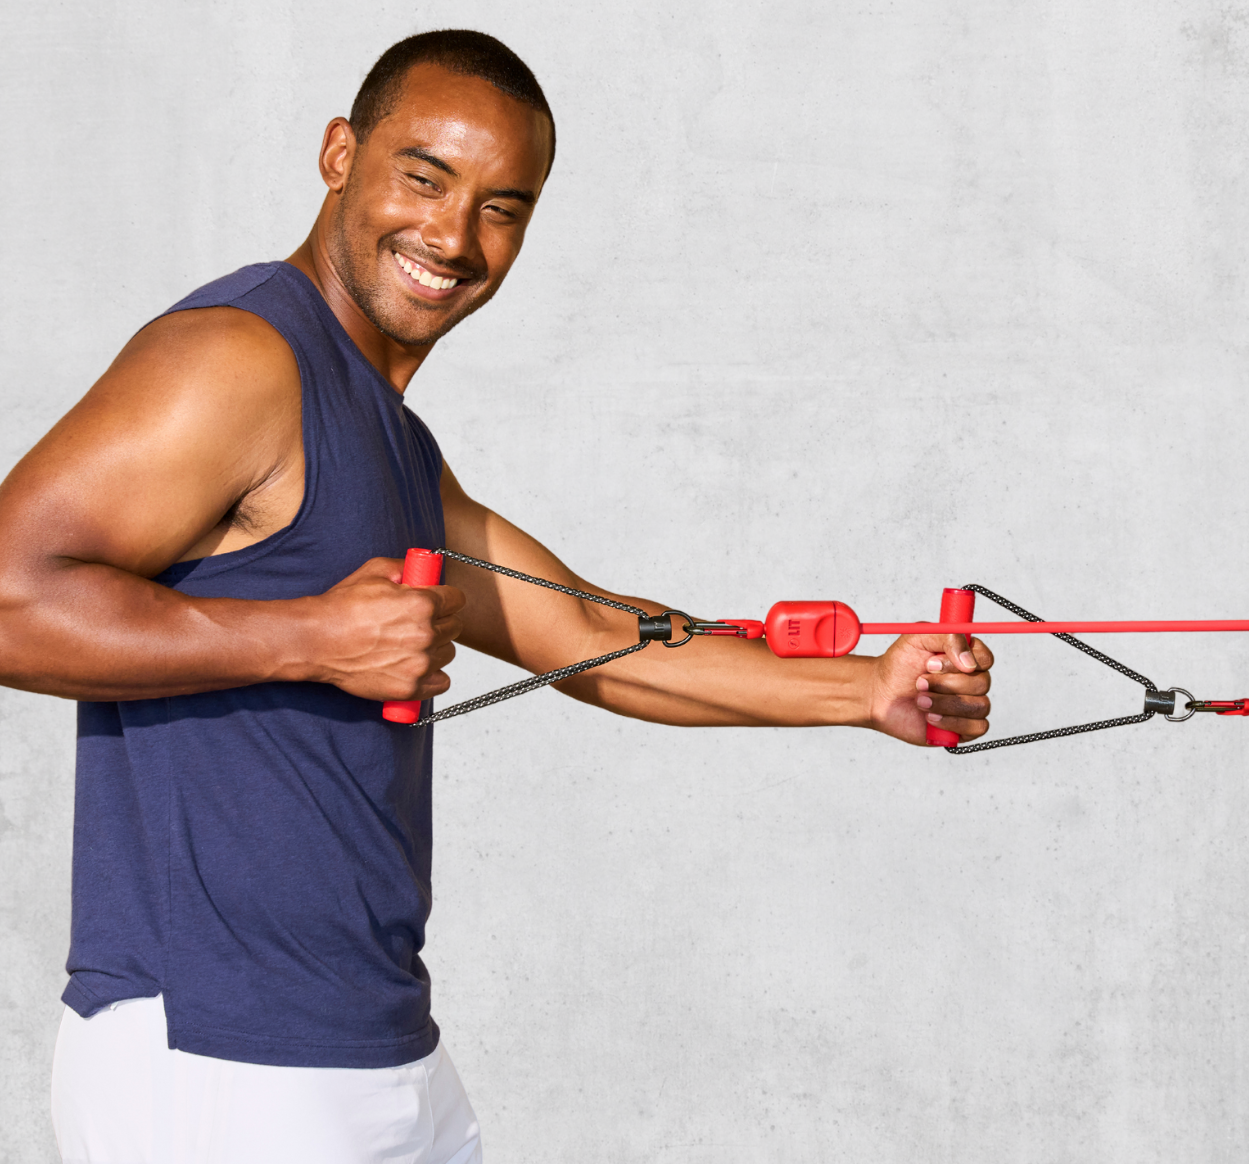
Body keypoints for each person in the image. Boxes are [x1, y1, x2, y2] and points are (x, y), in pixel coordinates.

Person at [0, 29, 995, 1164]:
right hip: (221, 1066)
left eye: (500, 206)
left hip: (377, 1050)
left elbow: (581, 633)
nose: (451, 236)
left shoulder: (391, 445)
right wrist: (304, 637)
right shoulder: (238, 357)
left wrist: (868, 689)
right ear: (340, 154)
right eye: (424, 177)